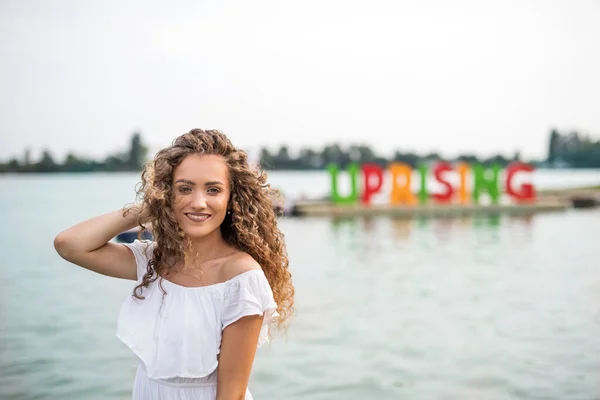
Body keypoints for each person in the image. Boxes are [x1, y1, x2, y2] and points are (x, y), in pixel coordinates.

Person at [54, 129, 295, 400]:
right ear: (167, 194)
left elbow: (232, 396)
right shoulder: (154, 259)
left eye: (213, 190)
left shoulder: (241, 277)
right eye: (184, 188)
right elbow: (70, 245)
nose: (199, 202)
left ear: (231, 200)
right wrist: (147, 208)